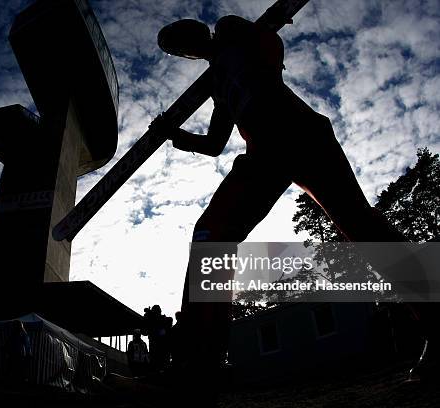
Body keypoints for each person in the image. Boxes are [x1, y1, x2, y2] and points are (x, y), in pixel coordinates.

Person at [151, 15, 423, 394]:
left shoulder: (230, 30)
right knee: (211, 234)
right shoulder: (216, 84)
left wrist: (254, 51)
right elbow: (214, 144)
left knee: (361, 225)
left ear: (197, 27)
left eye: (180, 34)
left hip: (299, 132)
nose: (183, 45)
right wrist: (173, 135)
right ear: (184, 56)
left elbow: (272, 47)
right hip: (264, 154)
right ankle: (200, 363)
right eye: (175, 48)